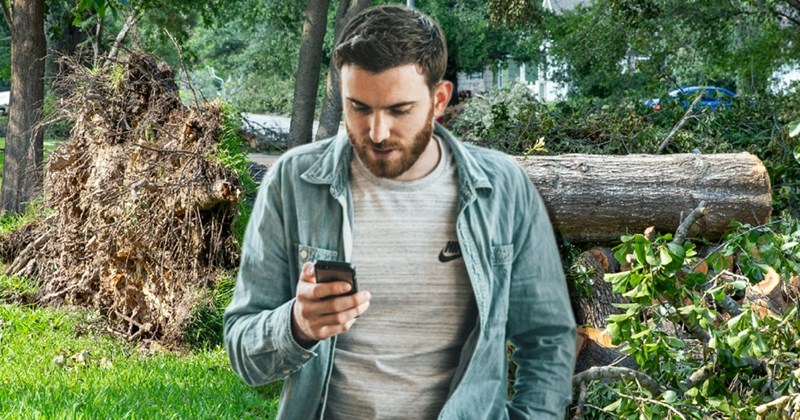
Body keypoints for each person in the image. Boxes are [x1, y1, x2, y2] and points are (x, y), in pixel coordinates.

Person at [224, 5, 576, 419]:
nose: (376, 132)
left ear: (438, 99)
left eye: (398, 110)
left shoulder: (502, 188)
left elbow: (548, 336)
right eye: (359, 107)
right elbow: (243, 353)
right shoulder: (294, 182)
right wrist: (297, 325)